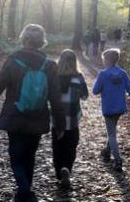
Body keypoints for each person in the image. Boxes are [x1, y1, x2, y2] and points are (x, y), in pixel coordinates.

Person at [0, 24, 66, 202]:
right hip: (38, 118)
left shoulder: (13, 61)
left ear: (24, 39)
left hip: (15, 117)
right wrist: (60, 123)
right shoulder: (50, 65)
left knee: (16, 156)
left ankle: (25, 192)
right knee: (30, 156)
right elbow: (55, 97)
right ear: (41, 41)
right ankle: (23, 192)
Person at [92, 48, 130, 173]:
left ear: (107, 60)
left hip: (108, 109)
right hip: (120, 108)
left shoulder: (103, 74)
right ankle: (106, 151)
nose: (103, 61)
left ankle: (118, 160)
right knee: (112, 130)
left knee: (111, 134)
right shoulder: (123, 73)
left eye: (103, 59)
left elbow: (95, 90)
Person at [52, 49, 89, 188]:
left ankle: (59, 174)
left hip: (56, 121)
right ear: (75, 62)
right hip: (72, 120)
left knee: (57, 147)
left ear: (60, 61)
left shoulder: (54, 76)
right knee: (71, 145)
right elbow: (85, 96)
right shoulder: (78, 77)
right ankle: (66, 168)